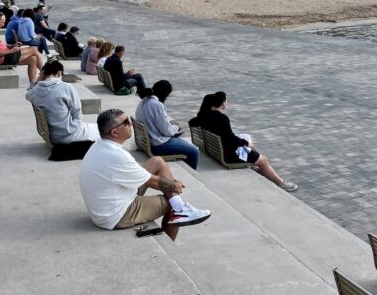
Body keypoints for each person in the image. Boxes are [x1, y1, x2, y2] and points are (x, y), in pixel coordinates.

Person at [79, 108, 211, 233]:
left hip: (107, 205)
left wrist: (170, 183)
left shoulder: (99, 146)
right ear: (114, 132)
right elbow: (153, 182)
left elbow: (144, 176)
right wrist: (174, 185)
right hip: (116, 215)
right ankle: (179, 211)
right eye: (126, 123)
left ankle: (180, 208)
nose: (130, 124)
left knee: (157, 161)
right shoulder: (117, 156)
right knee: (170, 203)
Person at [189, 92, 297, 191]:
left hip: (215, 149)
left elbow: (192, 122)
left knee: (245, 136)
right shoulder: (222, 118)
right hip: (229, 155)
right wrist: (246, 144)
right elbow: (231, 139)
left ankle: (255, 163)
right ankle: (281, 183)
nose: (227, 102)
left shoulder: (202, 115)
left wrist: (244, 141)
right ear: (222, 103)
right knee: (263, 160)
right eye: (226, 100)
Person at [26, 60, 98, 160]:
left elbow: (28, 94)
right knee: (102, 129)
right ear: (60, 73)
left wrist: (38, 80)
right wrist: (77, 125)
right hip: (68, 133)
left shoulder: (36, 91)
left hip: (52, 136)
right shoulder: (66, 87)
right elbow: (77, 112)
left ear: (43, 74)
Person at [134, 80, 200, 169]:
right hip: (158, 145)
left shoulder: (144, 100)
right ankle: (192, 174)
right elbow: (168, 132)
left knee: (181, 141)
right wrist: (176, 127)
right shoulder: (157, 105)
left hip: (147, 142)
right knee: (194, 151)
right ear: (165, 94)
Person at [0, 12, 43, 84]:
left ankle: (32, 84)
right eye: (2, 22)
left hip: (4, 56)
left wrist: (12, 46)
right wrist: (12, 51)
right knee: (34, 49)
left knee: (33, 59)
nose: (3, 25)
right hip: (2, 59)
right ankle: (45, 73)